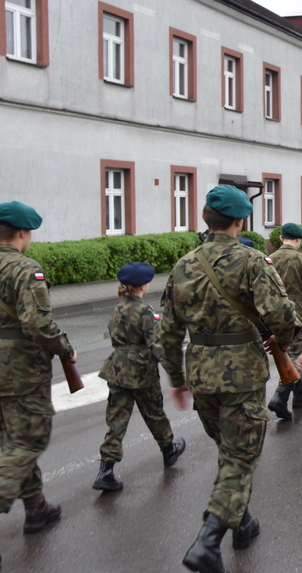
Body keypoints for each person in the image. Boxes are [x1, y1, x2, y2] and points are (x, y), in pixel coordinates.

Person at [159, 185, 299, 573]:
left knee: (232, 450)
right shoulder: (254, 261)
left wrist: (176, 377)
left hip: (201, 373)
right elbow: (283, 317)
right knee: (240, 455)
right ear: (241, 221)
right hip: (242, 373)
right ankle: (207, 541)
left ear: (206, 218)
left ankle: (243, 524)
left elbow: (167, 332)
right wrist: (282, 342)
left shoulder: (183, 265)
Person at [0, 201, 75, 538]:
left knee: (10, 438)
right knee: (28, 439)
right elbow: (37, 324)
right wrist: (65, 348)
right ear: (22, 233)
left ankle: (36, 506)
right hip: (18, 370)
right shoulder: (25, 268)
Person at [92, 261, 186, 493]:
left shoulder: (117, 308)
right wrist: (176, 373)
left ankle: (105, 470)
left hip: (117, 369)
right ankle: (168, 450)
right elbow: (157, 345)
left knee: (116, 420)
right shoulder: (146, 311)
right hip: (141, 370)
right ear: (144, 285)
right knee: (154, 413)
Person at [267, 223, 302, 419]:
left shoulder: (269, 259)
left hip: (273, 313)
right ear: (298, 240)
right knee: (295, 356)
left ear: (281, 238)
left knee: (284, 354)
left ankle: (299, 396)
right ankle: (279, 397)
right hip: (298, 312)